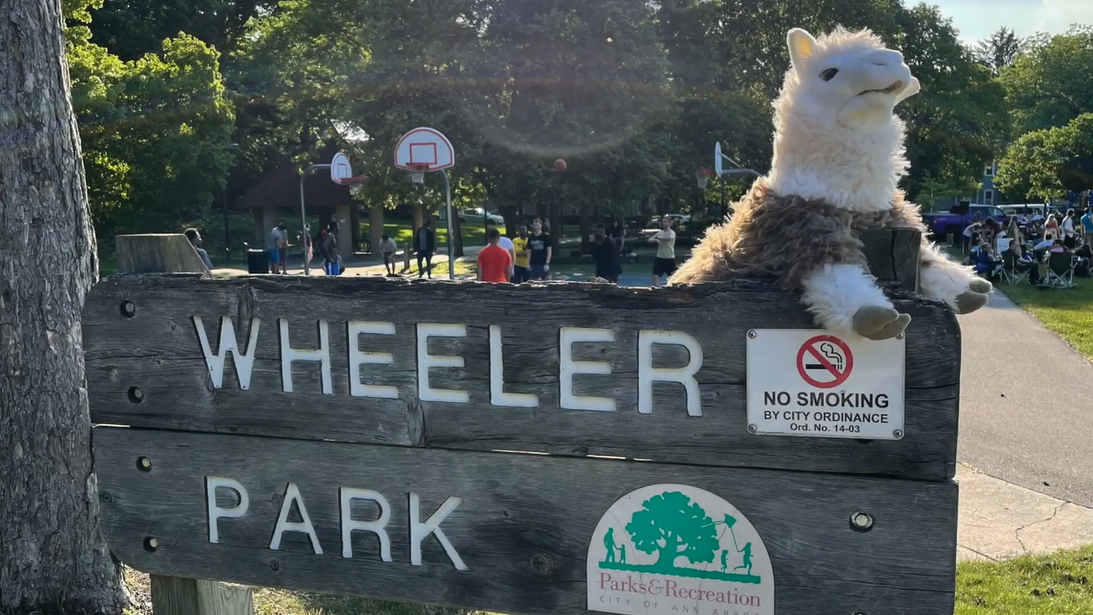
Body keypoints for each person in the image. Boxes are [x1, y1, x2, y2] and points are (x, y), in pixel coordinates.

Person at [649, 215, 677, 285]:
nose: (663, 223)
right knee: (655, 275)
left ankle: (671, 291)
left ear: (670, 223)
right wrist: (656, 240)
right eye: (663, 221)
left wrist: (659, 238)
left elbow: (669, 238)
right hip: (660, 257)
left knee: (672, 278)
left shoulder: (672, 233)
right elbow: (650, 240)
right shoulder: (660, 233)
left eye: (665, 221)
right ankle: (656, 291)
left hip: (669, 257)